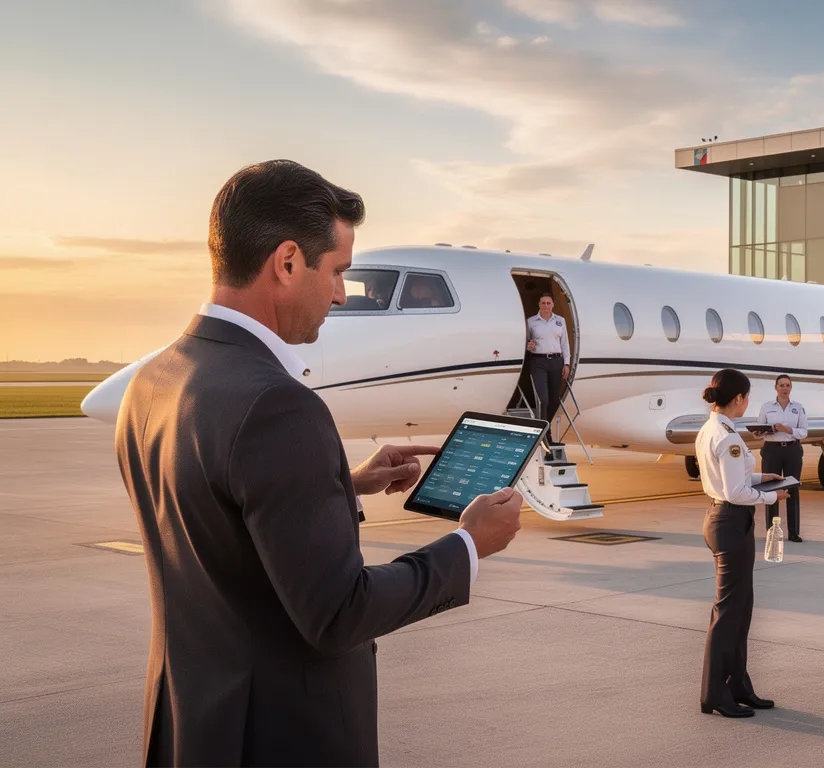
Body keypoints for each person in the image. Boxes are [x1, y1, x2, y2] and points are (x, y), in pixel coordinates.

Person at [114, 160, 524, 767]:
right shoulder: (278, 405)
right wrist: (468, 544)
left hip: (192, 723)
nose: (339, 293)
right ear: (286, 262)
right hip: (281, 736)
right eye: (337, 272)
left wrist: (342, 484)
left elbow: (213, 511)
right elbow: (339, 612)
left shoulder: (153, 381)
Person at [694, 369, 788, 718]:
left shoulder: (712, 428)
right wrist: (771, 497)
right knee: (729, 612)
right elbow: (735, 491)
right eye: (747, 397)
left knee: (740, 609)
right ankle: (714, 693)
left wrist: (765, 478)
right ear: (739, 399)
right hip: (731, 522)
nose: (747, 403)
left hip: (724, 519)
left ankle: (738, 685)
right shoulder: (729, 437)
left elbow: (731, 477)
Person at [758, 374, 807, 543]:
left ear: (791, 388)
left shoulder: (798, 408)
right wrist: (763, 431)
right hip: (772, 450)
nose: (784, 388)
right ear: (776, 388)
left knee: (792, 489)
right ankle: (771, 532)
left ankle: (793, 532)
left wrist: (787, 430)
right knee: (771, 490)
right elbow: (760, 430)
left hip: (792, 450)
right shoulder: (766, 407)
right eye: (781, 385)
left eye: (787, 385)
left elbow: (804, 431)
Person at [525, 293, 570, 441]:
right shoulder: (531, 322)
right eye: (543, 303)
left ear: (553, 305)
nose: (546, 306)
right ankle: (544, 434)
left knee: (554, 400)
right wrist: (528, 346)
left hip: (556, 361)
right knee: (543, 399)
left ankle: (546, 427)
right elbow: (526, 342)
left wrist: (567, 363)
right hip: (538, 362)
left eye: (548, 303)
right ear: (539, 304)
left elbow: (565, 344)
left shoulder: (560, 321)